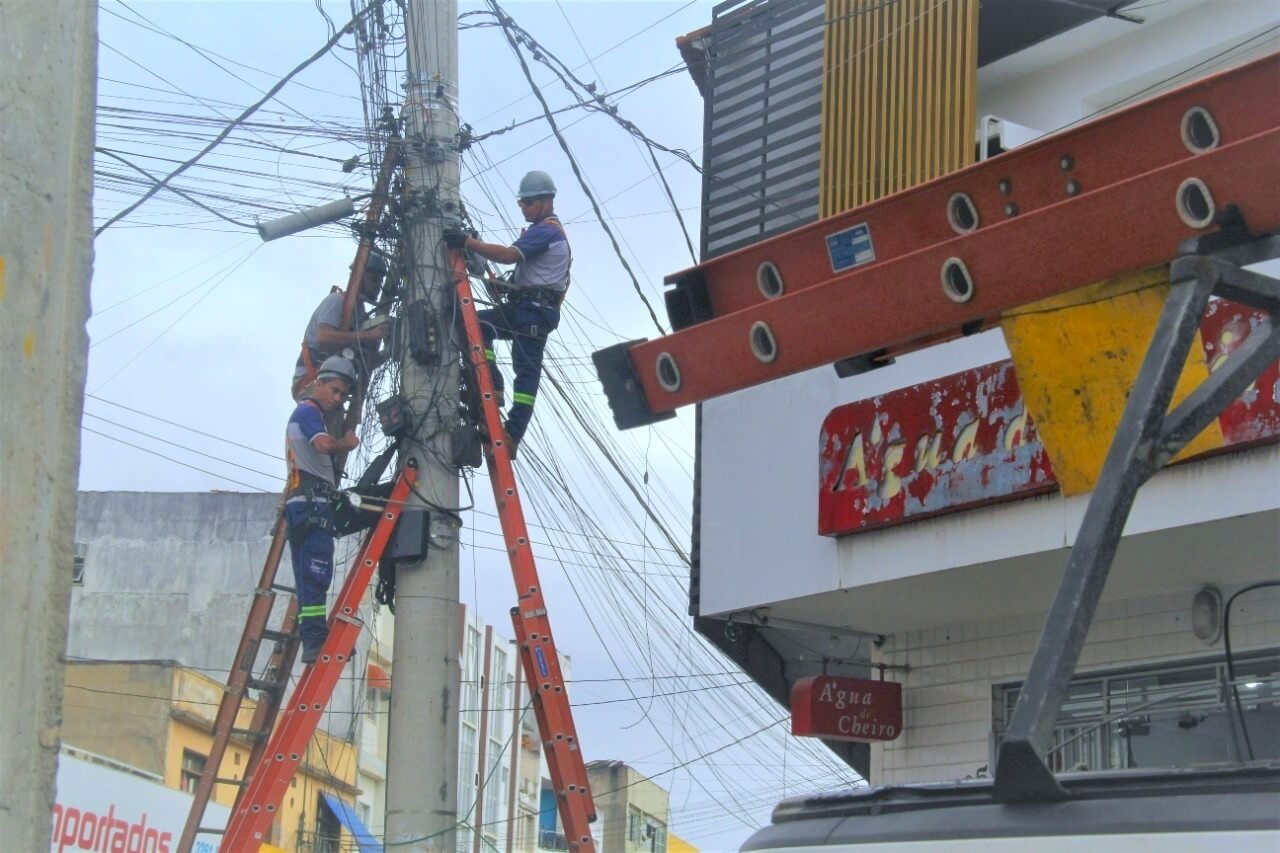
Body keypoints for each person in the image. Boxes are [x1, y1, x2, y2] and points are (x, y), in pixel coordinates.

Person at [443, 170, 570, 458]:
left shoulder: (547, 231)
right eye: (521, 203)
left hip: (535, 313)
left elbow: (508, 255)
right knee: (475, 324)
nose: (523, 208)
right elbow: (530, 275)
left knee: (526, 375)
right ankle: (493, 384)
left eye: (528, 203)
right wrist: (504, 286)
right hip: (524, 307)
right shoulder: (541, 232)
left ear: (546, 201)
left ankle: (512, 435)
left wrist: (467, 243)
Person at [284, 355, 360, 664]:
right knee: (316, 572)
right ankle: (315, 641)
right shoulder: (308, 412)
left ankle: (313, 638)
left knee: (309, 577)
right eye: (334, 390)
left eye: (343, 394)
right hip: (312, 505)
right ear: (319, 383)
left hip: (305, 504)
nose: (337, 398)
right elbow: (324, 446)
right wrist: (348, 443)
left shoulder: (309, 414)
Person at [291, 252, 390, 401]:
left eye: (380, 282)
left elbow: (366, 362)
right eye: (373, 280)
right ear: (359, 277)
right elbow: (323, 338)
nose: (377, 286)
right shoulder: (337, 301)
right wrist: (369, 335)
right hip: (310, 380)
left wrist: (389, 351)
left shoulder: (360, 315)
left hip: (333, 381)